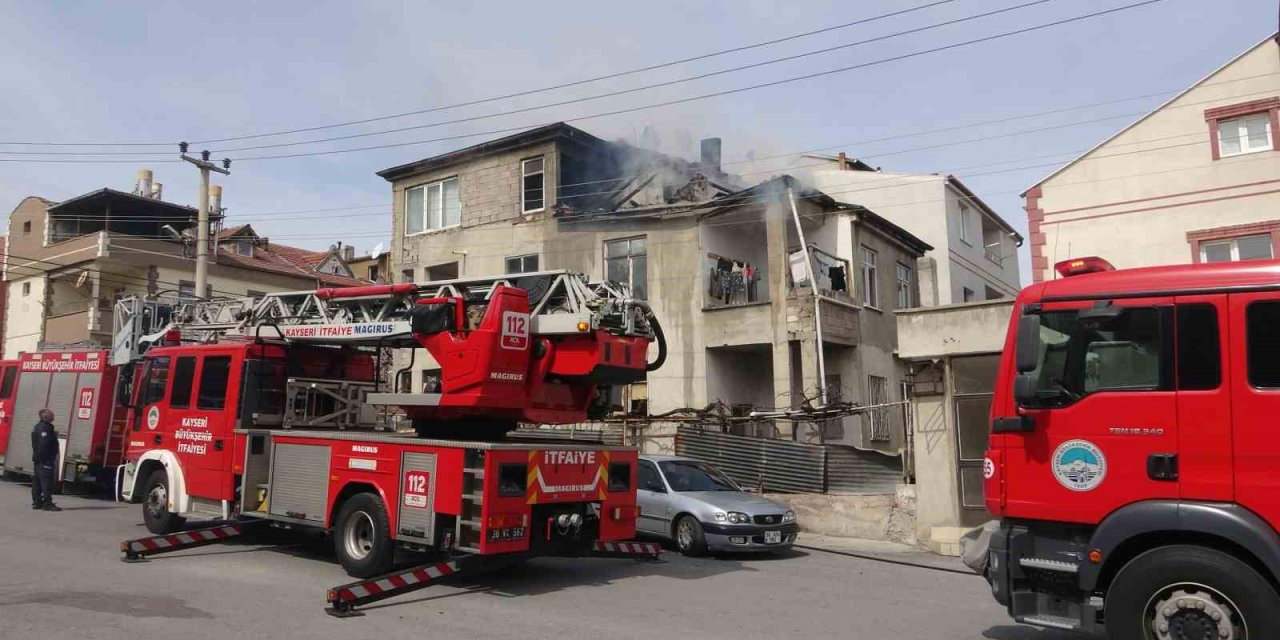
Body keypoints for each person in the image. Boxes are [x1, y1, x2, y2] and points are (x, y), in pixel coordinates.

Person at [31, 408, 61, 511]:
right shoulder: (44, 428)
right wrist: (47, 459)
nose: (54, 416)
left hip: (38, 460)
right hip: (44, 460)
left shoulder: (39, 426)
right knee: (46, 482)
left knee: (37, 481)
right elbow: (43, 445)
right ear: (45, 416)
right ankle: (47, 503)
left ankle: (37, 502)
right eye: (52, 414)